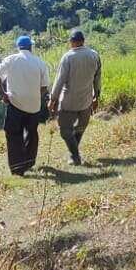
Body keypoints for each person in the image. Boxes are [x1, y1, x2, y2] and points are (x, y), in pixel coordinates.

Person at [0, 35, 50, 176]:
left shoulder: (11, 59)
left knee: (13, 135)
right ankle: (28, 163)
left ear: (18, 47)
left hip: (15, 103)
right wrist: (35, 96)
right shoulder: (40, 62)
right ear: (31, 47)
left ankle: (17, 168)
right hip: (34, 106)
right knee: (32, 133)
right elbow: (45, 86)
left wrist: (3, 94)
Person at [49, 28, 102, 166]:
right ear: (83, 41)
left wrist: (52, 100)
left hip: (68, 102)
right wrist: (96, 97)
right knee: (80, 128)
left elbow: (59, 80)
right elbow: (97, 79)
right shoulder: (94, 55)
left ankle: (75, 156)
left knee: (65, 131)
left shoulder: (68, 57)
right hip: (86, 101)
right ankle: (74, 154)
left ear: (72, 42)